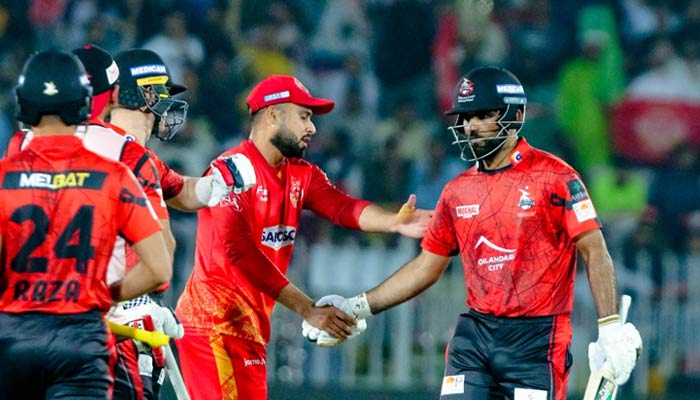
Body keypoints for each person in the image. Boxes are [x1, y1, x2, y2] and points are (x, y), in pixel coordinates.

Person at [307, 66, 643, 400]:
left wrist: (609, 327)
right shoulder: (457, 191)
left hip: (537, 340)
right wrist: (356, 307)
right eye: (466, 117)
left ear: (515, 115)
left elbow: (594, 249)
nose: (470, 126)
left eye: (482, 116)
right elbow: (425, 268)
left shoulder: (556, 177)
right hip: (475, 337)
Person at [175, 74, 433, 400]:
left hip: (251, 331)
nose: (311, 128)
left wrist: (393, 222)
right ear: (272, 115)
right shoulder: (230, 171)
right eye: (304, 116)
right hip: (211, 325)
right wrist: (308, 308)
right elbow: (239, 251)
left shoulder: (301, 173)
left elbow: (342, 207)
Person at [0, 50, 171, 399]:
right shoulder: (114, 174)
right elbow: (159, 268)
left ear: (23, 103)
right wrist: (100, 296)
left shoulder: (4, 177)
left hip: (13, 339)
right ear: (85, 103)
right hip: (81, 341)